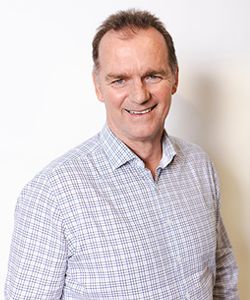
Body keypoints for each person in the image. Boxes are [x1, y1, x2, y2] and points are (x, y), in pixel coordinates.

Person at [5, 9, 239, 300]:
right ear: (98, 86)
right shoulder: (52, 196)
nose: (139, 95)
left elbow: (223, 278)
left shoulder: (200, 166)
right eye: (119, 80)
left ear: (175, 78)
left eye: (152, 76)